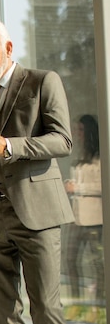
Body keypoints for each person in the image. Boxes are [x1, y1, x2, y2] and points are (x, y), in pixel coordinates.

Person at [0, 19, 73, 324]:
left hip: (38, 213)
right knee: (2, 315)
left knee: (47, 311)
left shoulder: (43, 81)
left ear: (8, 48)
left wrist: (8, 146)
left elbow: (62, 141)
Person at [64, 114, 104, 319]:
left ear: (88, 132)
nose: (77, 135)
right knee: (70, 260)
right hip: (76, 218)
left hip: (94, 220)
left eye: (80, 130)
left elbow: (102, 186)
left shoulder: (100, 159)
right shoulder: (80, 156)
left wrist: (77, 187)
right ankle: (76, 303)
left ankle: (99, 308)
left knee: (98, 265)